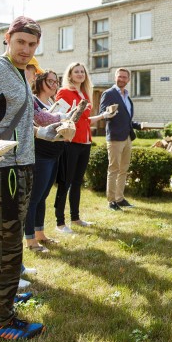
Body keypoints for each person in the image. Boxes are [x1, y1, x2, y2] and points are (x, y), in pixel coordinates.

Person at [0, 16, 64, 342]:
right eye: (20, 41)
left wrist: (44, 131)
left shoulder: (20, 72)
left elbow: (17, 120)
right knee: (7, 248)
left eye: (32, 44)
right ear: (7, 38)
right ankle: (0, 323)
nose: (25, 49)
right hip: (1, 170)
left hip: (20, 166)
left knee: (6, 244)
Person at [53, 62, 115, 233]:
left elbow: (85, 120)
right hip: (70, 143)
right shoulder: (64, 92)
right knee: (65, 182)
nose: (80, 74)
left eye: (82, 71)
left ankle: (76, 218)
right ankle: (60, 223)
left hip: (85, 143)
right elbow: (60, 117)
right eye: (76, 72)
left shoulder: (85, 95)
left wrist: (104, 115)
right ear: (70, 75)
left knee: (77, 182)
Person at [25, 69, 65, 252]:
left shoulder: (53, 103)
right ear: (40, 81)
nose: (54, 85)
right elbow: (41, 120)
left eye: (56, 82)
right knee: (34, 198)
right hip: (41, 154)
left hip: (54, 153)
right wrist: (61, 118)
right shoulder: (33, 100)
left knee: (43, 197)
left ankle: (40, 233)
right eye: (50, 81)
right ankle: (31, 240)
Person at [99, 67, 143, 211]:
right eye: (120, 76)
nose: (122, 79)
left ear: (128, 80)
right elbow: (102, 114)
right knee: (114, 169)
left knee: (123, 169)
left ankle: (120, 198)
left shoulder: (127, 96)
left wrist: (140, 125)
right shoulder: (109, 93)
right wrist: (109, 113)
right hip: (115, 137)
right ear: (115, 77)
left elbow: (127, 119)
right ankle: (111, 201)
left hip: (127, 137)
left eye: (125, 77)